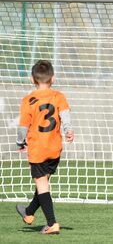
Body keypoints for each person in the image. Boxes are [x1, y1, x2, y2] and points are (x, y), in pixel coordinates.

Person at [15, 60, 74, 234]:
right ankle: (29, 212)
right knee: (43, 184)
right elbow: (65, 115)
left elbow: (23, 127)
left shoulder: (28, 100)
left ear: (32, 79)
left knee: (42, 185)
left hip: (38, 149)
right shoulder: (58, 96)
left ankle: (51, 223)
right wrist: (69, 130)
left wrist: (20, 142)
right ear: (53, 79)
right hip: (55, 148)